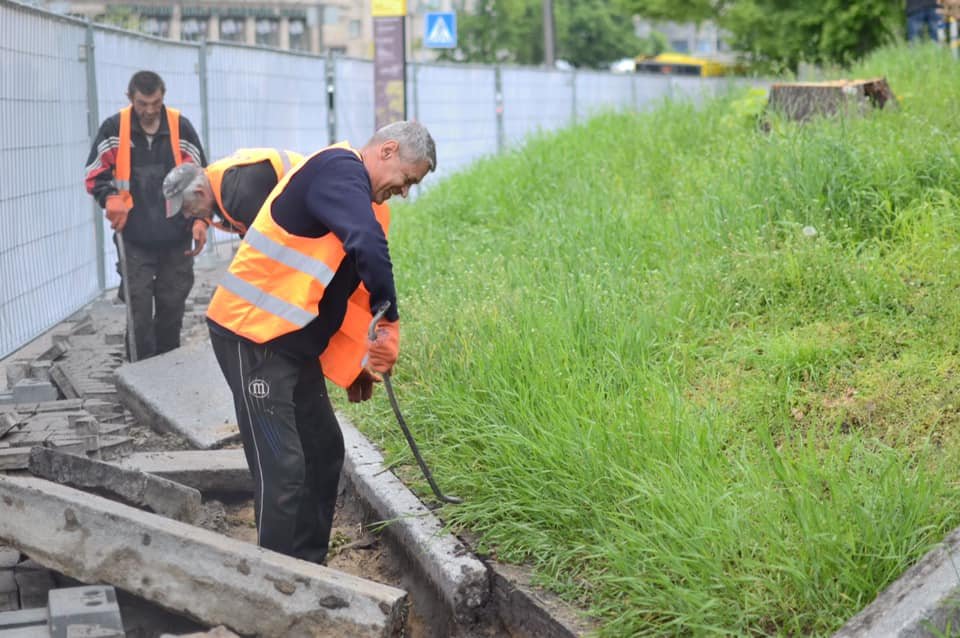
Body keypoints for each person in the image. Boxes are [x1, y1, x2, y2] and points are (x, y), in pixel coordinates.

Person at [205, 121, 436, 564]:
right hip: (249, 336)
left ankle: (307, 571)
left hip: (288, 344)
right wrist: (391, 318)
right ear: (387, 150)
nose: (405, 191)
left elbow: (346, 292)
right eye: (407, 179)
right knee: (284, 467)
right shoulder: (336, 170)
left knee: (324, 452)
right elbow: (365, 245)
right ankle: (274, 583)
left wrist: (355, 363)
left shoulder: (361, 199)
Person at [85, 70, 208, 361]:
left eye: (155, 103)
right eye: (143, 104)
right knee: (138, 312)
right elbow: (94, 174)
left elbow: (202, 179)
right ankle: (138, 374)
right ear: (131, 99)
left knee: (171, 309)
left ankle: (167, 375)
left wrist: (201, 220)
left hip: (176, 236)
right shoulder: (114, 130)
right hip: (134, 238)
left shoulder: (181, 129)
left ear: (163, 96)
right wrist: (109, 197)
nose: (150, 110)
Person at [163, 148, 305, 237]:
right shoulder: (217, 183)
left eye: (186, 207)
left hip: (307, 198)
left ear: (200, 193)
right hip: (301, 196)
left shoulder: (237, 195)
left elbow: (266, 246)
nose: (187, 215)